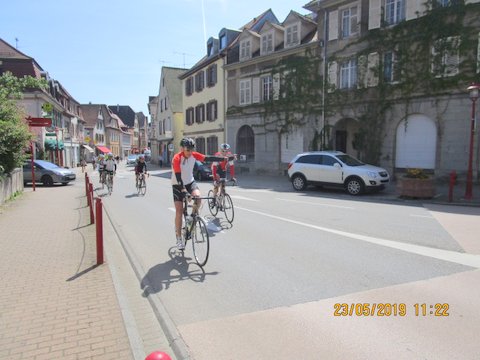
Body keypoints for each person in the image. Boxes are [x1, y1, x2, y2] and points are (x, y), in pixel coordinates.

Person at [171, 137, 228, 250]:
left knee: (198, 197)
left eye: (192, 149)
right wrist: (183, 191)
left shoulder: (193, 155)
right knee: (179, 210)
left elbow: (207, 158)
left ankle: (192, 219)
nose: (190, 152)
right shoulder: (176, 158)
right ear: (182, 148)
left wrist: (222, 159)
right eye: (188, 150)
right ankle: (178, 237)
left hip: (190, 182)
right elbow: (178, 177)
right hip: (178, 184)